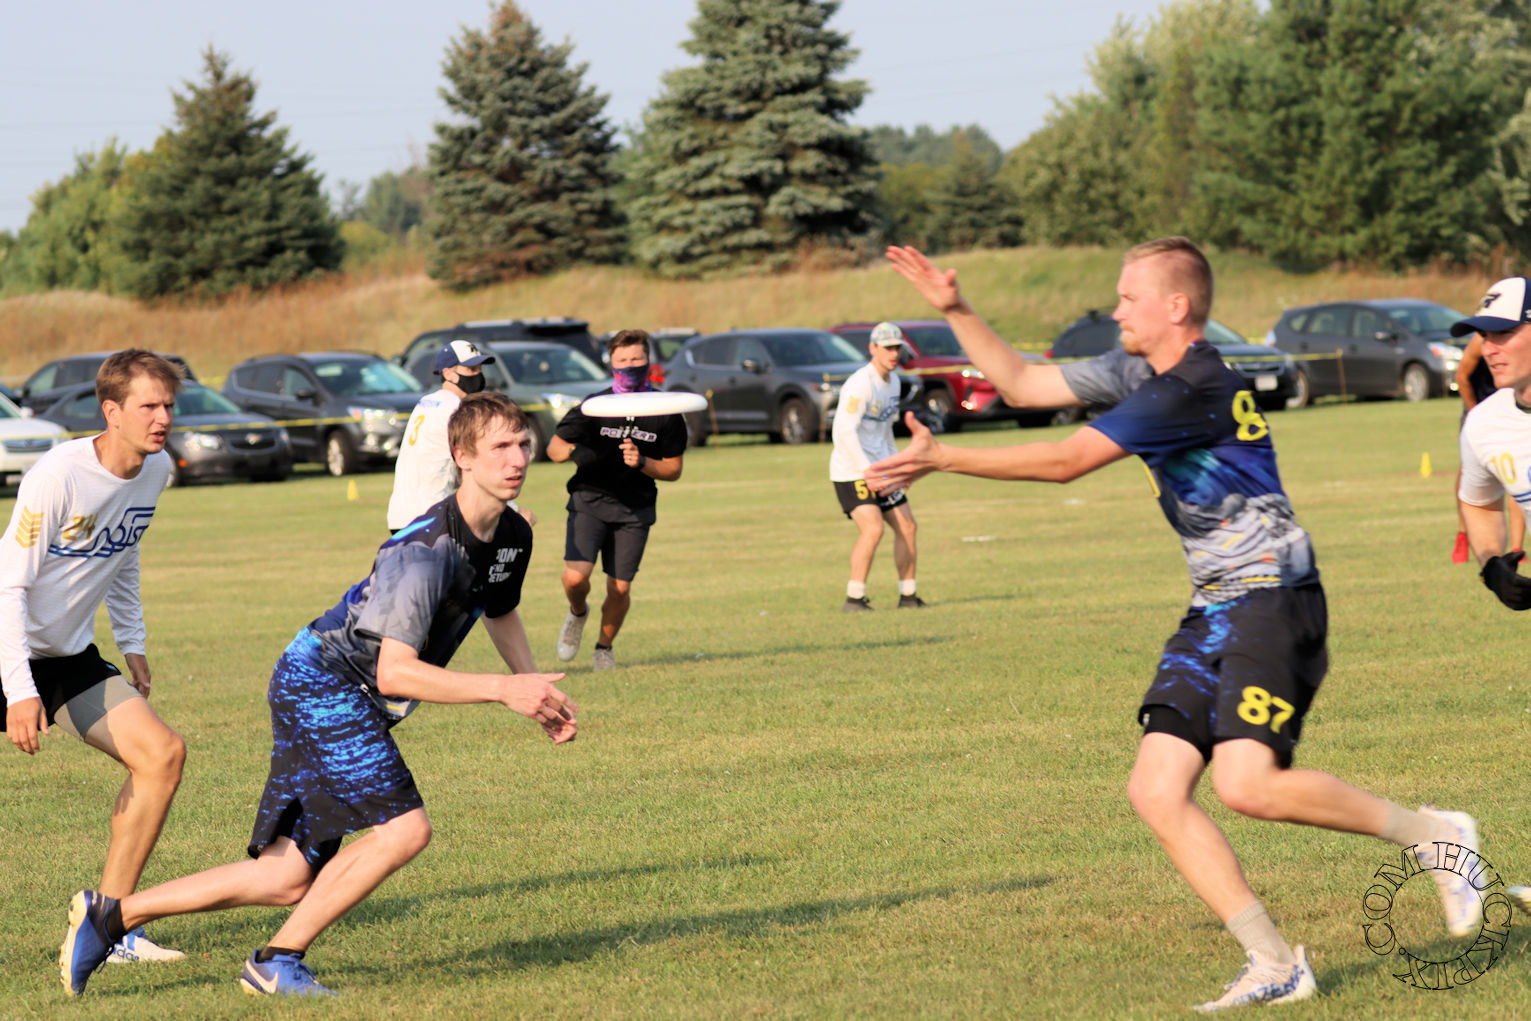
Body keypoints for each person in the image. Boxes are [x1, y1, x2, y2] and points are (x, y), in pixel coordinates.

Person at [875, 240, 1484, 1012]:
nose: (1115, 310)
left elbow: (1065, 460)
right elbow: (1022, 383)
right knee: (1155, 789)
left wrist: (945, 460)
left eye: (1128, 298)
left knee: (1247, 784)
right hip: (1215, 605)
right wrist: (956, 309)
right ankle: (1273, 963)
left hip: (1274, 596)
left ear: (1175, 306)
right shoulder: (1137, 371)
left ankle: (1434, 833)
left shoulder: (1192, 385)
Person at [59, 392, 578, 998]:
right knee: (405, 831)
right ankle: (276, 961)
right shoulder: (423, 552)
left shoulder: (512, 532)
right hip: (322, 683)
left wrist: (534, 687)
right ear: (462, 456)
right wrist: (502, 689)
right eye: (500, 447)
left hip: (336, 687)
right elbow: (395, 673)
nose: (517, 459)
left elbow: (500, 607)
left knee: (283, 877)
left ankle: (111, 916)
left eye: (523, 444)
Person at [0, 350, 188, 967]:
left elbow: (124, 551)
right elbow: (9, 586)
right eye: (148, 406)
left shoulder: (156, 469)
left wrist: (132, 641)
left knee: (161, 755)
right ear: (111, 411)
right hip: (7, 644)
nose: (163, 418)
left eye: (168, 405)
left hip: (68, 656)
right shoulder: (58, 475)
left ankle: (110, 926)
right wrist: (19, 690)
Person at [546, 329, 687, 670]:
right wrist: (576, 453)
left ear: (648, 360)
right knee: (575, 579)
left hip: (635, 508)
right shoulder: (595, 405)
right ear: (611, 363)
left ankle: (603, 648)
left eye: (637, 358)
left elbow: (673, 469)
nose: (630, 365)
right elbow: (554, 448)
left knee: (619, 588)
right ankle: (577, 612)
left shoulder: (666, 409)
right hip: (589, 499)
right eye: (622, 360)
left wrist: (642, 462)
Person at [387, 340, 535, 533]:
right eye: (471, 369)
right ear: (448, 373)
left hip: (400, 515)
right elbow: (476, 470)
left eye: (479, 369)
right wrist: (515, 512)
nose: (478, 376)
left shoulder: (426, 402)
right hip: (432, 518)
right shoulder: (457, 410)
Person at [829, 321, 924, 611]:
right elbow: (844, 431)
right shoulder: (860, 383)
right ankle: (854, 599)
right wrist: (866, 471)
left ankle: (908, 597)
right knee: (873, 529)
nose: (894, 354)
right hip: (851, 471)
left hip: (880, 469)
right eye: (888, 348)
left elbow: (885, 431)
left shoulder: (893, 383)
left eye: (897, 348)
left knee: (907, 526)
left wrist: (898, 467)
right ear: (873, 349)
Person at [1452, 330, 1524, 562]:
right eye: (1486, 337)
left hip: (1511, 406)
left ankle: (1517, 546)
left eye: (1501, 335)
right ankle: (1463, 533)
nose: (1490, 348)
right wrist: (1474, 411)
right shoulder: (1478, 341)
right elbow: (1462, 376)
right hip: (1479, 407)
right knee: (1470, 475)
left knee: (1516, 477)